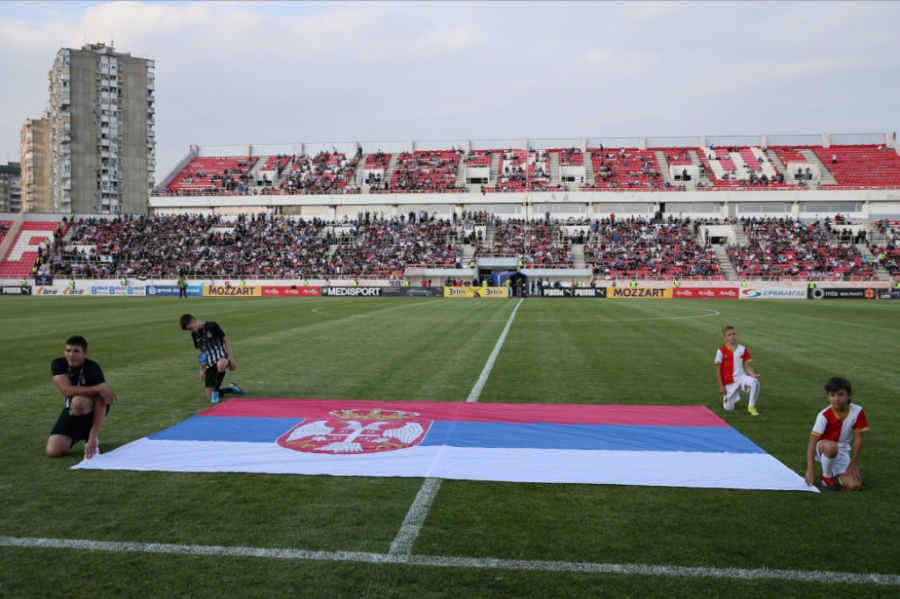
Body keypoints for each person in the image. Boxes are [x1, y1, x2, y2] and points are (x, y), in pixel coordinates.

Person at [47, 335, 118, 459]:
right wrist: (97, 389)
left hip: (93, 408)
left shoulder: (92, 368)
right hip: (71, 409)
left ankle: (89, 437)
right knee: (53, 452)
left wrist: (93, 437)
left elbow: (101, 401)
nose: (71, 355)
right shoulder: (59, 364)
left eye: (76, 351)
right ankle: (79, 433)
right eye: (68, 350)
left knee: (79, 401)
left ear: (85, 353)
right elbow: (66, 391)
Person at [805, 377, 868, 492]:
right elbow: (812, 442)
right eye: (832, 395)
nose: (836, 398)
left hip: (842, 452)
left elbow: (859, 439)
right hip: (823, 448)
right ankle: (826, 477)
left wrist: (853, 465)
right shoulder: (824, 415)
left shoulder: (858, 411)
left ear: (849, 395)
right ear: (828, 396)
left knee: (854, 486)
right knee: (832, 446)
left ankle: (833, 470)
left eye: (841, 394)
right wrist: (811, 469)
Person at [179, 314, 243, 403]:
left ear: (194, 321)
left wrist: (231, 359)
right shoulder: (194, 334)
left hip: (221, 358)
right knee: (209, 396)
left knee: (220, 365)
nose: (190, 331)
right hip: (209, 363)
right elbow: (201, 352)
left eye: (190, 328)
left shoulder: (212, 325)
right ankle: (231, 389)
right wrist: (201, 370)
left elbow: (226, 341)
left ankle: (216, 391)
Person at [715, 325, 761, 415]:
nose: (732, 336)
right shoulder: (721, 351)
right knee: (729, 408)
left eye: (734, 334)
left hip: (741, 377)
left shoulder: (743, 349)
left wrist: (753, 375)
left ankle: (751, 406)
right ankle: (730, 400)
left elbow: (747, 366)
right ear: (725, 338)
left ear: (737, 335)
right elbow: (718, 370)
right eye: (729, 335)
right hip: (728, 381)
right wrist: (721, 386)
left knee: (755, 382)